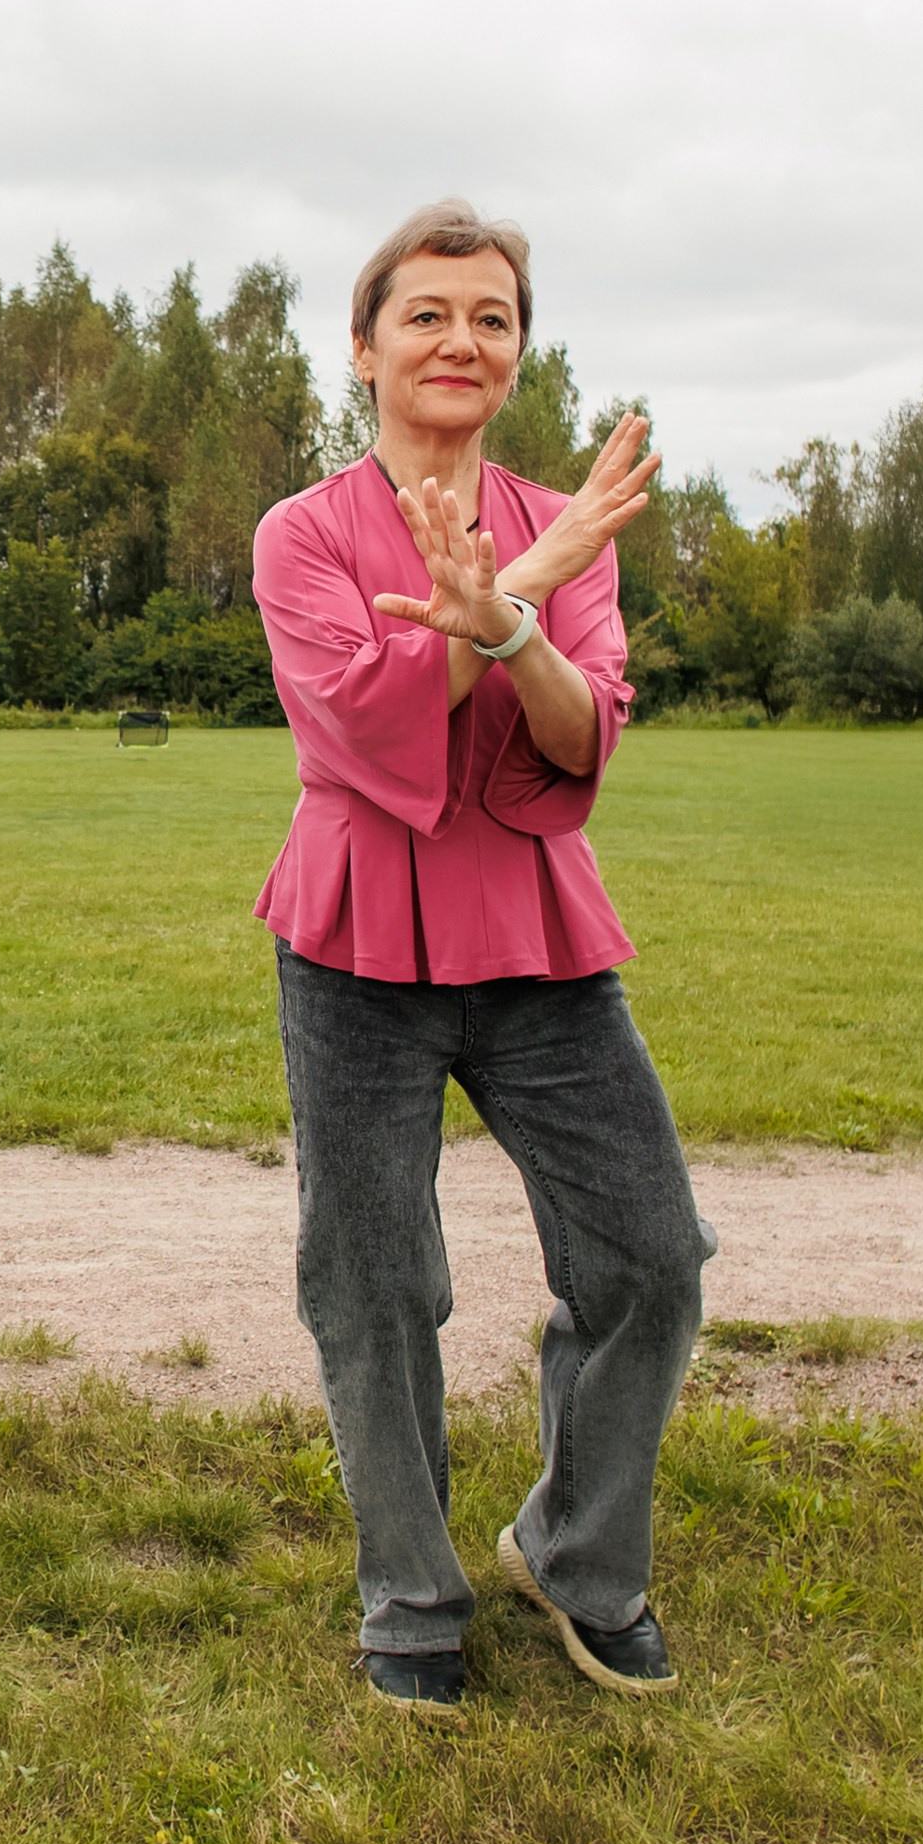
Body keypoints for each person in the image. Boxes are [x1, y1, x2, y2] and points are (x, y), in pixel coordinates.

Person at [251, 199, 713, 1724]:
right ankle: (410, 1590)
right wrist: (487, 628)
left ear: (520, 352)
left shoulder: (563, 521)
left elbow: (587, 734)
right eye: (430, 312)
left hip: (538, 933)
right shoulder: (302, 534)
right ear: (368, 346)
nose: (463, 339)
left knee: (650, 1255)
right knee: (372, 1279)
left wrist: (515, 618)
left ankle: (576, 1559)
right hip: (356, 941)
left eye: (493, 316)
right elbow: (357, 719)